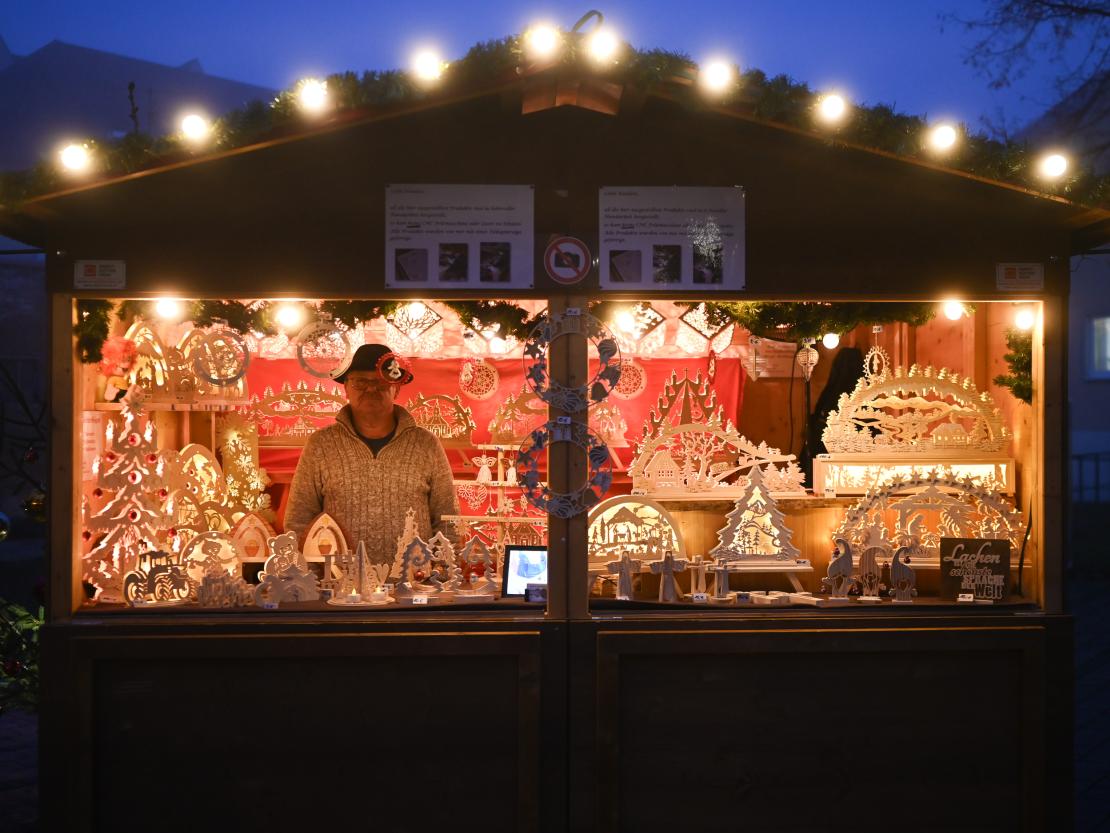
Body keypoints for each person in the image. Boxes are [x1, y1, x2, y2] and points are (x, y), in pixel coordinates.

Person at [284, 343, 458, 563]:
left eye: (381, 382)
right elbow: (299, 519)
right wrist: (313, 578)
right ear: (346, 387)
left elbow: (447, 519)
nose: (371, 389)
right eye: (360, 382)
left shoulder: (425, 444)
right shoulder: (321, 445)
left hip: (414, 586)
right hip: (338, 589)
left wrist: (441, 574)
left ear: (397, 388)